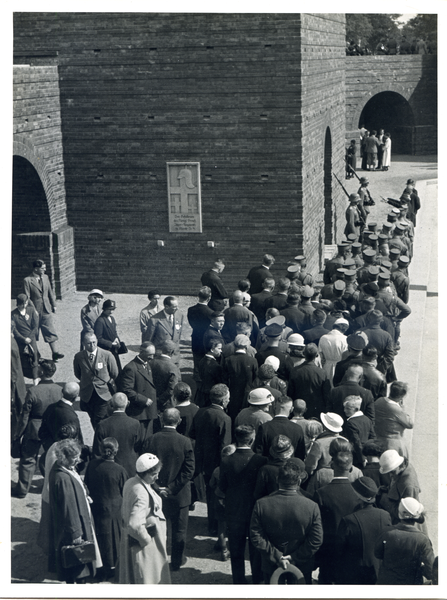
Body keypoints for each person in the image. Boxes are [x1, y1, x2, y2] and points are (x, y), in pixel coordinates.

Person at [250, 461, 323, 584]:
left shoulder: (261, 504)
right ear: (299, 482)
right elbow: (316, 539)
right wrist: (294, 557)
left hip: (271, 564)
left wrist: (277, 556)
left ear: (277, 480)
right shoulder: (311, 506)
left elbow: (256, 535)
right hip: (302, 565)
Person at [47, 439, 102, 583]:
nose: (78, 460)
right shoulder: (63, 478)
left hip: (73, 522)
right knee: (79, 567)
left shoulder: (62, 468)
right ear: (64, 457)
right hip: (75, 528)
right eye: (74, 457)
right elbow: (69, 508)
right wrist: (76, 533)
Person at [219, 424, 267, 584]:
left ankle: (238, 581)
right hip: (255, 510)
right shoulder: (261, 461)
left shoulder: (226, 461)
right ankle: (257, 578)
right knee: (256, 548)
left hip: (234, 510)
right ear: (252, 439)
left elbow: (222, 487)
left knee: (236, 548)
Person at [148, 408, 195, 571]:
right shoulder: (185, 442)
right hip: (179, 494)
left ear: (162, 420)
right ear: (179, 421)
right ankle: (177, 561)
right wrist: (172, 488)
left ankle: (156, 560)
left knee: (156, 528)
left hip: (156, 493)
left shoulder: (152, 439)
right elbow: (189, 470)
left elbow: (145, 467)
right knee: (179, 530)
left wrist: (157, 487)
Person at [12, 359, 62, 498]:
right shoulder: (59, 390)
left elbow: (24, 416)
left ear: (41, 371)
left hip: (34, 428)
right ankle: (50, 487)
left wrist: (18, 434)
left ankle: (22, 489)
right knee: (51, 458)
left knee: (28, 459)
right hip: (51, 428)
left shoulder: (33, 391)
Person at [118, 453, 171, 584]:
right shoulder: (141, 494)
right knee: (148, 579)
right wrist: (146, 540)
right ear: (144, 473)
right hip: (145, 548)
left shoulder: (131, 482)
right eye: (154, 474)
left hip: (131, 543)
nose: (157, 477)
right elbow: (135, 525)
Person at [313, 451, 362, 584]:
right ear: (351, 468)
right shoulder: (358, 494)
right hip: (351, 551)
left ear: (332, 466)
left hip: (327, 550)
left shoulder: (321, 493)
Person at [189, 384, 232, 535]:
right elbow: (225, 446)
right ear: (223, 401)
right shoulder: (224, 418)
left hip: (202, 461)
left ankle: (211, 523)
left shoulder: (200, 412)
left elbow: (193, 434)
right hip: (217, 463)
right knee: (218, 494)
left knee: (209, 492)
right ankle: (217, 526)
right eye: (228, 397)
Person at [84, 437, 128, 581]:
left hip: (97, 508)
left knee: (100, 539)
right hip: (114, 511)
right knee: (113, 541)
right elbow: (125, 491)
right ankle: (112, 568)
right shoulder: (120, 470)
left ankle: (100, 568)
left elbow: (87, 485)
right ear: (116, 451)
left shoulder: (92, 465)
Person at [337, 477, 392, 584]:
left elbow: (338, 551)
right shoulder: (385, 515)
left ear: (358, 496)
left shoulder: (348, 520)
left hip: (354, 576)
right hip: (379, 574)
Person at [375, 497, 434, 584]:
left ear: (399, 513)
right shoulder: (423, 539)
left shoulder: (386, 532)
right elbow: (430, 570)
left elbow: (377, 554)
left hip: (386, 583)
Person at [73, 332, 119, 430]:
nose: (92, 345)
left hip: (103, 394)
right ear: (84, 343)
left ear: (97, 341)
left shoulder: (107, 355)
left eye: (94, 342)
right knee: (93, 418)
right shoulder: (79, 357)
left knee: (100, 419)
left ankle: (100, 441)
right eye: (89, 343)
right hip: (88, 394)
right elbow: (78, 374)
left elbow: (114, 373)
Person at [92, 393, 142, 478]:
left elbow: (97, 450)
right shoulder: (135, 424)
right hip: (130, 468)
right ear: (128, 404)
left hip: (109, 469)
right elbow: (138, 445)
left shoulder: (102, 424)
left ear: (111, 404)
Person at [23, 259, 64, 361]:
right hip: (34, 311)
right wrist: (33, 310)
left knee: (50, 330)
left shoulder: (45, 277)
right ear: (36, 269)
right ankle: (35, 354)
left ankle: (55, 353)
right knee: (33, 332)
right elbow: (27, 297)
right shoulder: (27, 280)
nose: (44, 270)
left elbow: (50, 291)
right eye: (42, 268)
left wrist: (53, 304)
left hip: (46, 309)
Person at [118, 342, 157, 446]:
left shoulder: (147, 364)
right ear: (142, 352)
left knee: (148, 441)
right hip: (140, 412)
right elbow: (127, 389)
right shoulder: (131, 368)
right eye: (150, 355)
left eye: (153, 354)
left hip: (149, 411)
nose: (152, 358)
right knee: (140, 442)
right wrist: (143, 400)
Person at [39, 382, 83, 458]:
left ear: (62, 391)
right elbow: (76, 440)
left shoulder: (51, 407)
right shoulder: (71, 416)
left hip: (50, 449)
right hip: (65, 455)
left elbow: (42, 431)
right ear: (76, 396)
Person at [254, 395, 306, 459]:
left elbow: (258, 453)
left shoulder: (264, 427)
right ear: (292, 409)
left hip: (269, 466)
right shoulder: (297, 429)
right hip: (290, 467)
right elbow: (301, 455)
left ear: (275, 407)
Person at [287, 344, 331, 419]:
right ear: (316, 355)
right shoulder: (322, 373)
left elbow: (290, 393)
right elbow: (327, 394)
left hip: (298, 409)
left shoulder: (295, 371)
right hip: (316, 410)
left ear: (304, 354)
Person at [378, 450, 421, 523]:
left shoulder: (408, 486)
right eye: (388, 472)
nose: (390, 475)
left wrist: (384, 499)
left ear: (399, 466)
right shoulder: (402, 469)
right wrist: (388, 489)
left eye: (392, 472)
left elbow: (407, 513)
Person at [222, 334, 258, 421]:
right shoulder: (252, 360)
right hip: (247, 394)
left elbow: (224, 378)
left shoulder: (228, 360)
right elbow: (256, 378)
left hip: (232, 393)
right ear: (246, 346)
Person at [374, 381, 413, 458]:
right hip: (393, 443)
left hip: (378, 438)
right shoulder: (397, 409)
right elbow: (410, 424)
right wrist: (402, 408)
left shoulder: (379, 401)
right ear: (402, 396)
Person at [145, 296, 184, 366]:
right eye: (174, 307)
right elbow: (148, 340)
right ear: (166, 307)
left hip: (175, 356)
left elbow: (178, 335)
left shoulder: (179, 315)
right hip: (161, 357)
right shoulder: (154, 320)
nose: (177, 308)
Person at [11, 293, 40, 384]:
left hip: (31, 340)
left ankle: (35, 381)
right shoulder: (13, 314)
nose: (24, 306)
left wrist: (30, 338)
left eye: (26, 303)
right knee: (21, 360)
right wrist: (23, 339)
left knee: (34, 359)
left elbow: (35, 327)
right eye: (22, 304)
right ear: (18, 303)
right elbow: (14, 330)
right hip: (20, 341)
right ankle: (21, 382)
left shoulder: (31, 311)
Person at [342, 395, 376, 468]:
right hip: (367, 457)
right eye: (344, 408)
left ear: (356, 409)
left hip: (356, 458)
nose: (345, 410)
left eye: (348, 408)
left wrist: (362, 459)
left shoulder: (350, 423)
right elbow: (373, 437)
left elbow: (356, 442)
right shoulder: (367, 419)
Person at [187, 286, 213, 379]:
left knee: (196, 361)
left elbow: (191, 323)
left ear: (198, 296)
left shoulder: (191, 310)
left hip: (196, 338)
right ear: (209, 297)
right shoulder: (210, 313)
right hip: (207, 340)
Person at [150, 341, 182, 412]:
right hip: (167, 403)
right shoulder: (173, 367)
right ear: (172, 352)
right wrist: (160, 400)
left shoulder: (151, 362)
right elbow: (172, 389)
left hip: (151, 400)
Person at [94, 299, 125, 373]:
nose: (111, 312)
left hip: (113, 350)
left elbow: (114, 332)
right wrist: (111, 344)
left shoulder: (112, 318)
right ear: (104, 309)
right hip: (105, 350)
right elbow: (98, 338)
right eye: (109, 309)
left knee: (116, 369)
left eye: (113, 309)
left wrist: (117, 339)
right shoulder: (100, 321)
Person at [318, 318, 349, 384]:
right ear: (344, 328)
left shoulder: (323, 337)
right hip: (340, 367)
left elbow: (320, 355)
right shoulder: (345, 339)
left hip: (326, 366)